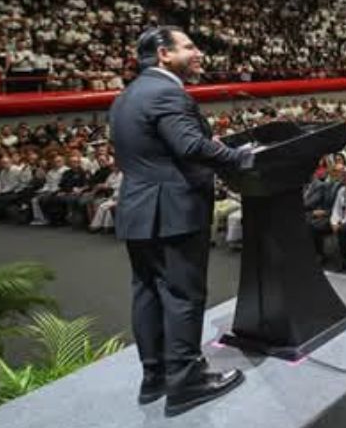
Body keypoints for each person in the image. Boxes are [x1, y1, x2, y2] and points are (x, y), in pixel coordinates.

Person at [109, 27, 253, 416]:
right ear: (163, 54)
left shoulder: (127, 95)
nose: (199, 53)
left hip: (139, 209)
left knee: (148, 291)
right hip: (172, 209)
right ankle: (187, 381)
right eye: (189, 46)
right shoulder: (167, 92)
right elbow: (188, 145)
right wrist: (239, 157)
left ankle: (154, 376)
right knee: (182, 294)